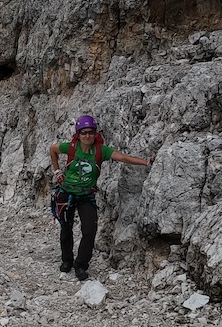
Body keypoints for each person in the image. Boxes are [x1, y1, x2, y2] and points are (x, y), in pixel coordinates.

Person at [48, 115, 153, 281]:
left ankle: (81, 265)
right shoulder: (72, 147)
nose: (87, 136)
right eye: (83, 133)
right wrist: (57, 171)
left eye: (90, 132)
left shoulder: (100, 150)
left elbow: (123, 157)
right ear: (78, 134)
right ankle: (66, 260)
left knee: (89, 229)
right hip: (67, 192)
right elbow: (52, 149)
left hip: (86, 195)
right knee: (66, 227)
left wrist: (146, 162)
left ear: (95, 133)